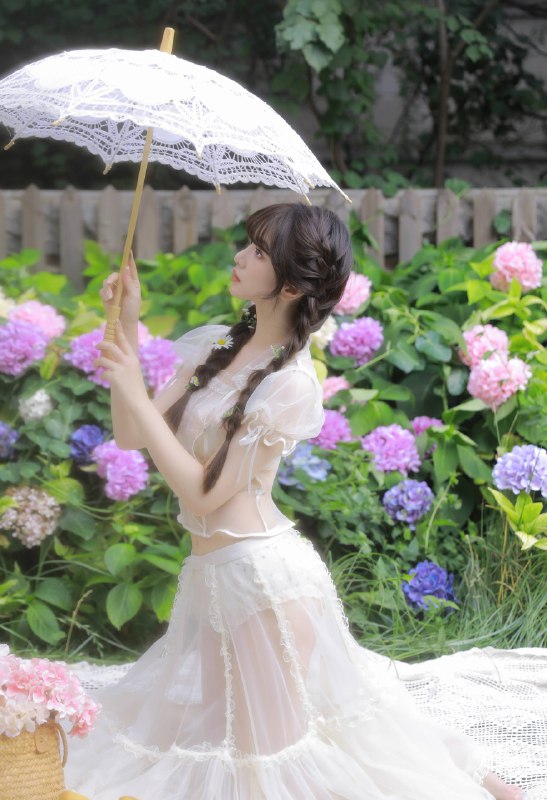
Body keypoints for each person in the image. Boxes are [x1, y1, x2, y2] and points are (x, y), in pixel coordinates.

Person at [66, 203, 524, 800]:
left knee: (274, 760)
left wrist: (132, 384)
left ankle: (479, 786)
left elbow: (203, 494)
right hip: (215, 576)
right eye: (247, 244)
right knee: (258, 738)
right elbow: (133, 434)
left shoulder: (290, 384)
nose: (239, 256)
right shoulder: (219, 345)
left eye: (257, 251)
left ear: (288, 285)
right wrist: (125, 324)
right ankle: (485, 783)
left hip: (261, 584)